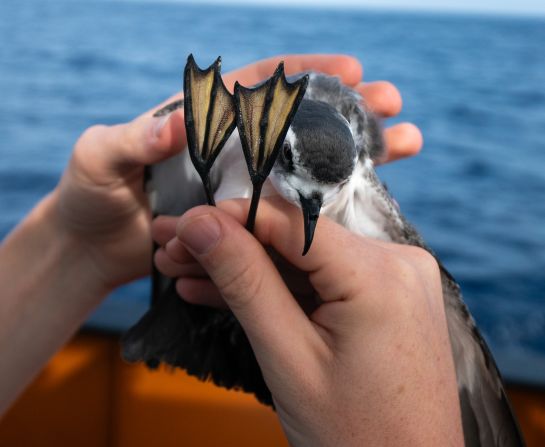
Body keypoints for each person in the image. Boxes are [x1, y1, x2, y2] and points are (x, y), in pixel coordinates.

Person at [0, 54, 463, 445]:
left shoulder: (351, 169)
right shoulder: (224, 129)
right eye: (286, 165)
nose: (307, 203)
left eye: (326, 192)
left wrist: (78, 247)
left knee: (443, 306)